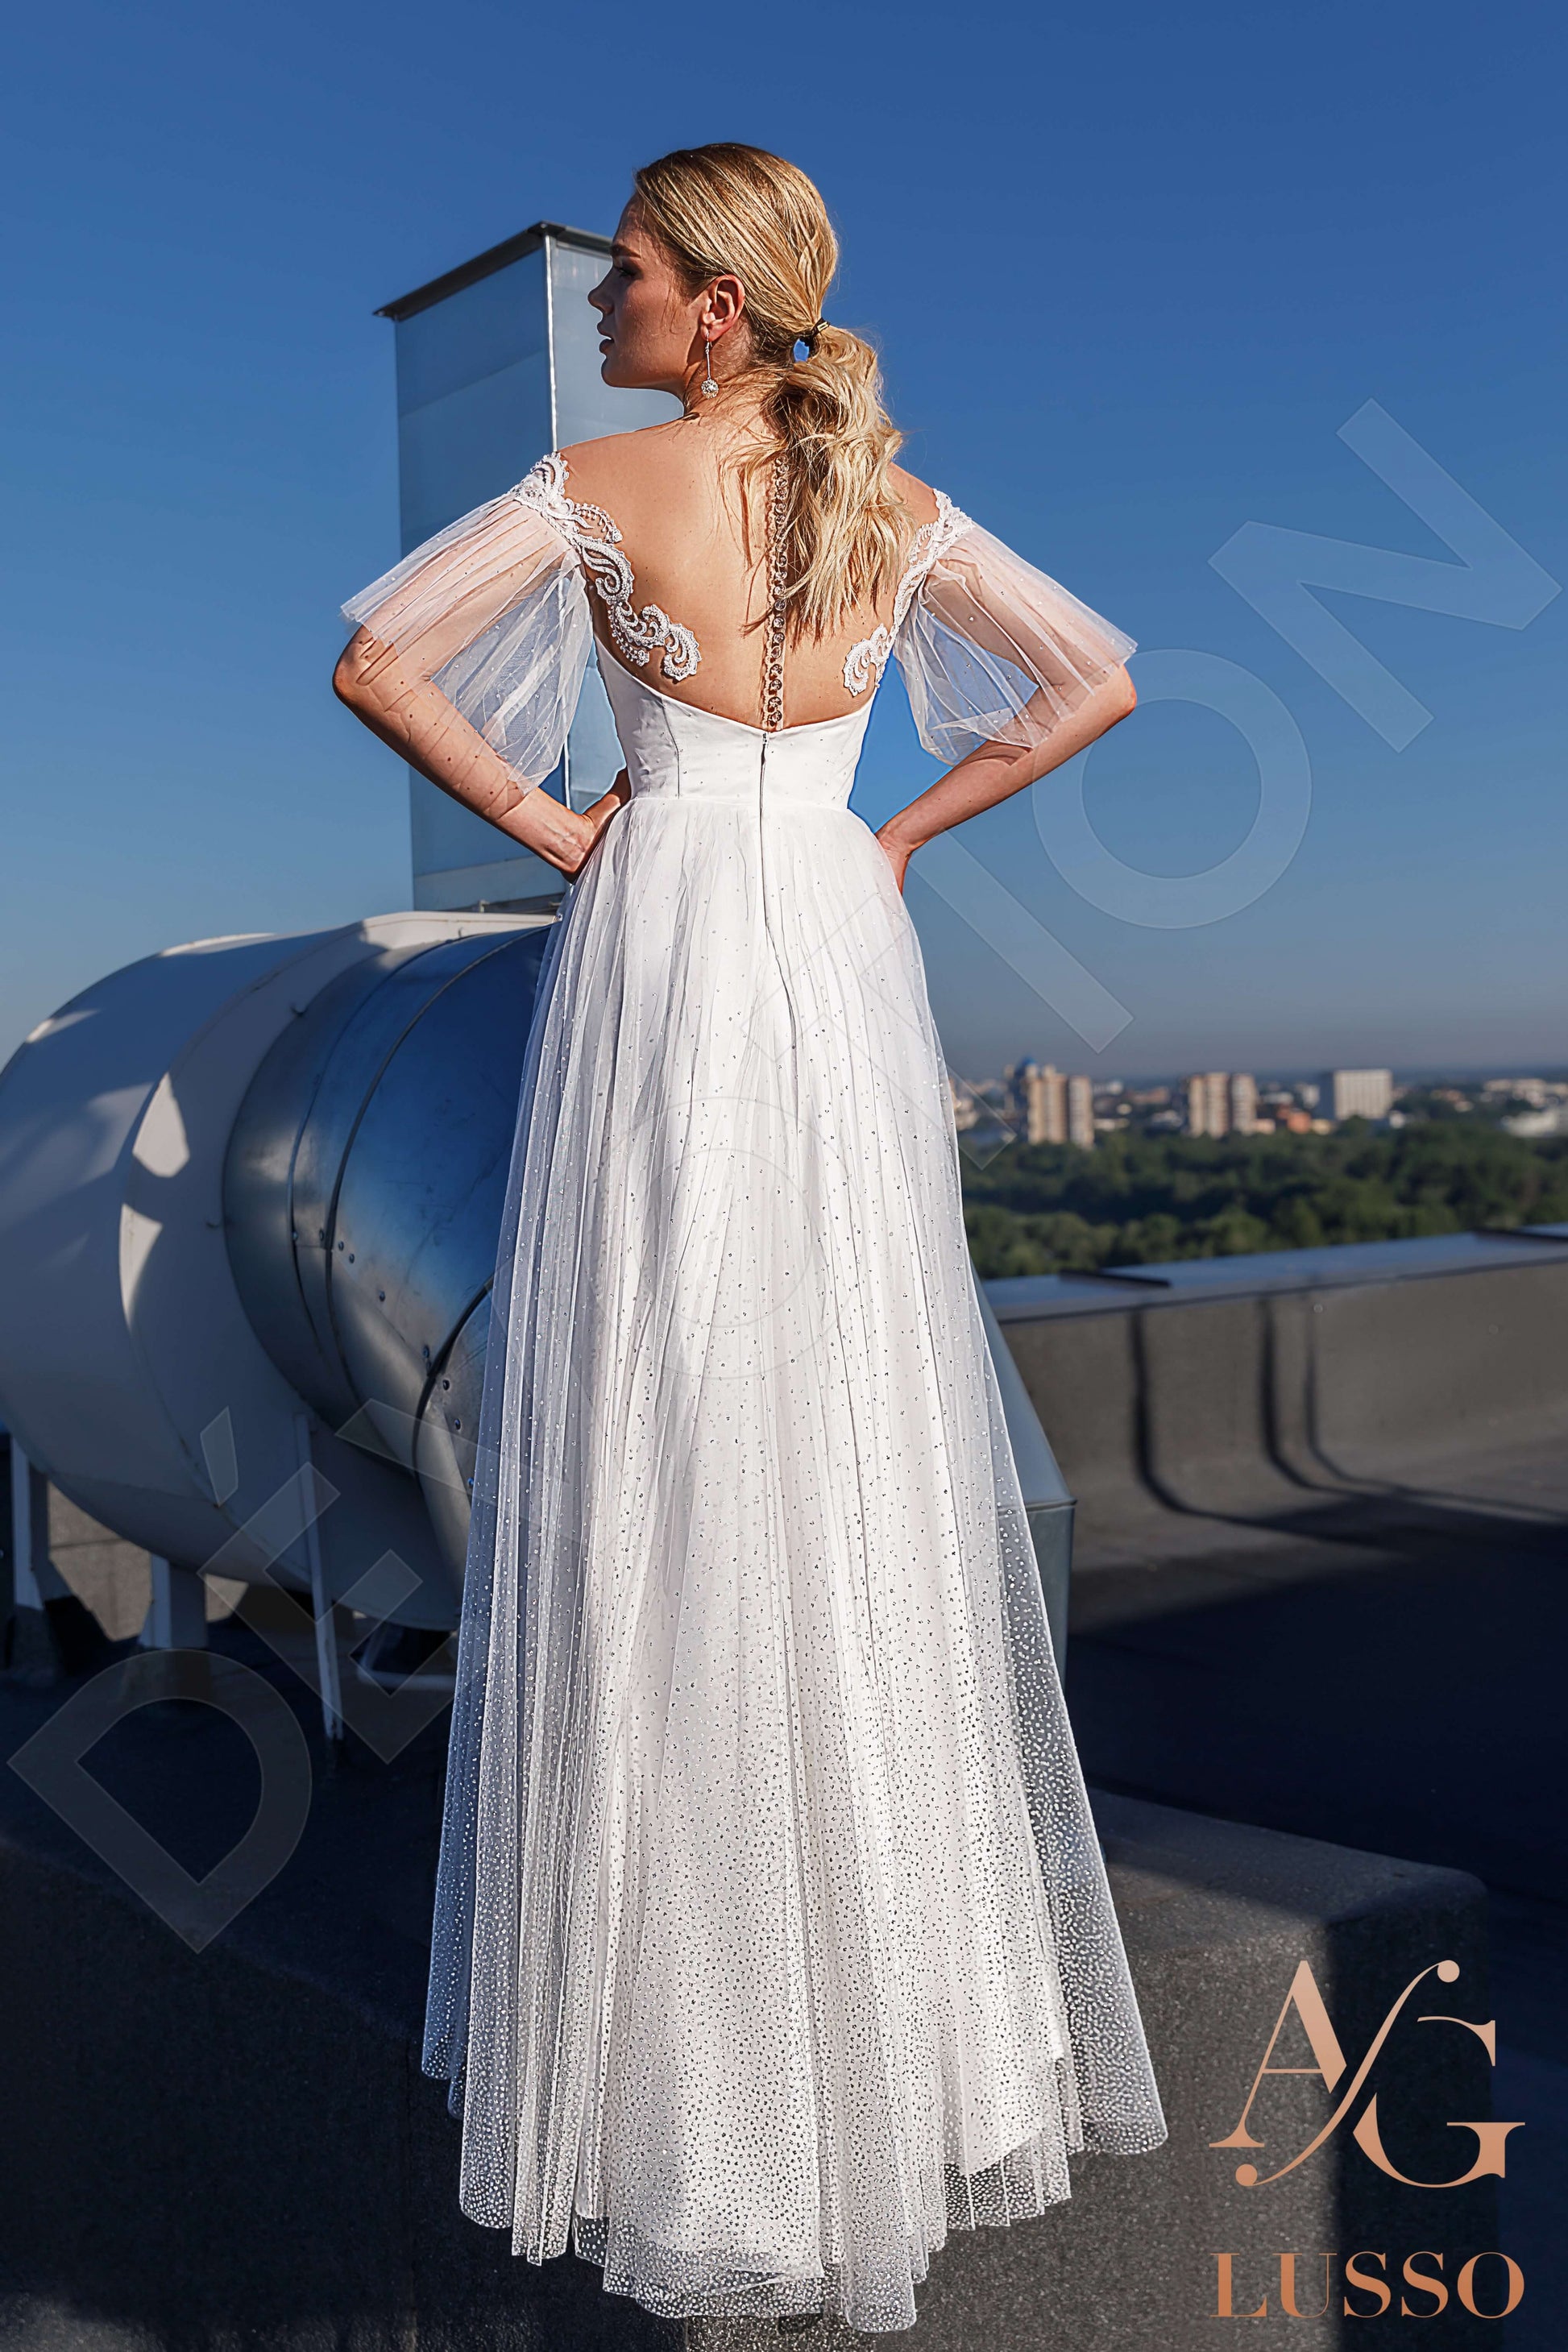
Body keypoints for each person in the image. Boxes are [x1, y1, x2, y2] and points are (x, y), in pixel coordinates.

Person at [333, 142, 1165, 2336]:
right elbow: (1092, 680)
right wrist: (895, 833)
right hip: (829, 929)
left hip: (667, 926)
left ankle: (687, 2054)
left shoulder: (596, 484)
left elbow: (377, 659)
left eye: (625, 271)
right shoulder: (881, 495)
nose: (600, 302)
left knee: (669, 1434)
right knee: (847, 1426)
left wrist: (552, 826)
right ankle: (899, 2025)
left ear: (713, 301)